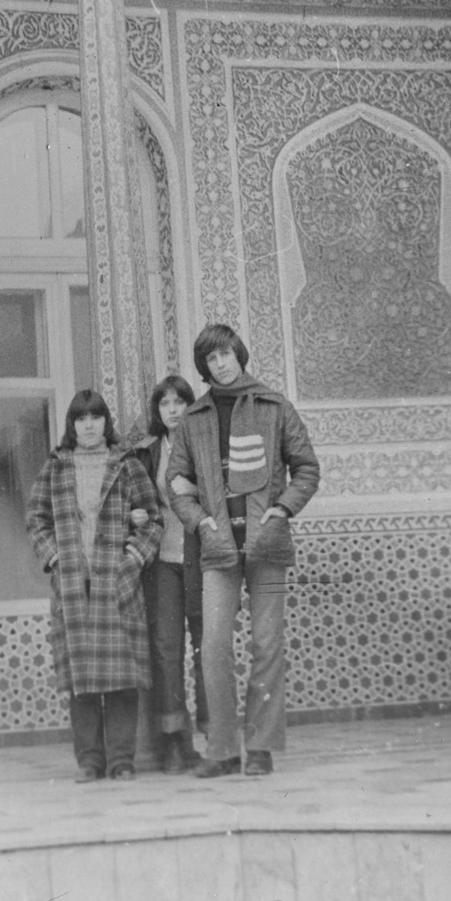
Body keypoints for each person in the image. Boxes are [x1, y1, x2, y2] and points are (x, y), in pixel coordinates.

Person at [166, 324, 320, 778]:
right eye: (211, 359)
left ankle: (260, 747)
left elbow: (307, 468)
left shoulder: (275, 406)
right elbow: (176, 483)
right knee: (213, 646)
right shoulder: (194, 419)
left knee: (267, 645)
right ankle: (222, 749)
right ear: (204, 366)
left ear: (239, 354)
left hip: (266, 545)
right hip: (217, 548)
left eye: (226, 354)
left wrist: (282, 510)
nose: (220, 364)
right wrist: (200, 521)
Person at [27, 390, 163, 782]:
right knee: (82, 681)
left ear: (106, 422)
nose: (88, 426)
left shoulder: (127, 465)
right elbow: (36, 518)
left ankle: (121, 760)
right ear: (72, 425)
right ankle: (89, 760)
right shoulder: (55, 467)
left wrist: (132, 559)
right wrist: (55, 558)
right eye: (81, 419)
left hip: (117, 584)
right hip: (73, 586)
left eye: (95, 418)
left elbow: (153, 518)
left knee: (121, 678)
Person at [131, 375, 209, 775]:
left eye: (180, 402)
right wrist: (135, 514)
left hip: (201, 559)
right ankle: (177, 743)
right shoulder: (148, 453)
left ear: (191, 406)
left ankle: (215, 738)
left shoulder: (204, 446)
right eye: (165, 403)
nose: (173, 409)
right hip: (162, 562)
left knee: (206, 648)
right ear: (157, 410)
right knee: (166, 650)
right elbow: (134, 499)